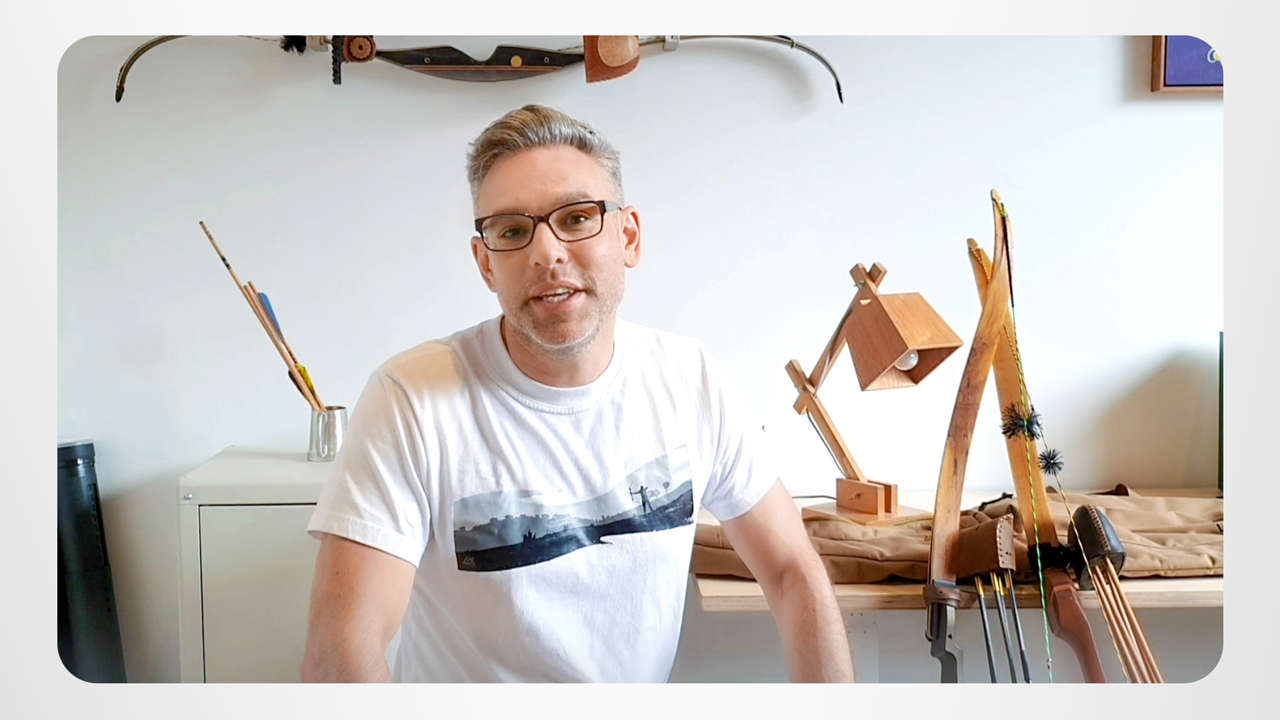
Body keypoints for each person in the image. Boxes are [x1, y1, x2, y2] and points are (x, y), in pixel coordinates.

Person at [300, 104, 855, 683]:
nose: (546, 253)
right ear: (486, 264)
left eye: (576, 218)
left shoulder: (690, 379)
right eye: (512, 231)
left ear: (628, 237)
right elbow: (339, 656)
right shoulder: (409, 399)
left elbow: (793, 571)